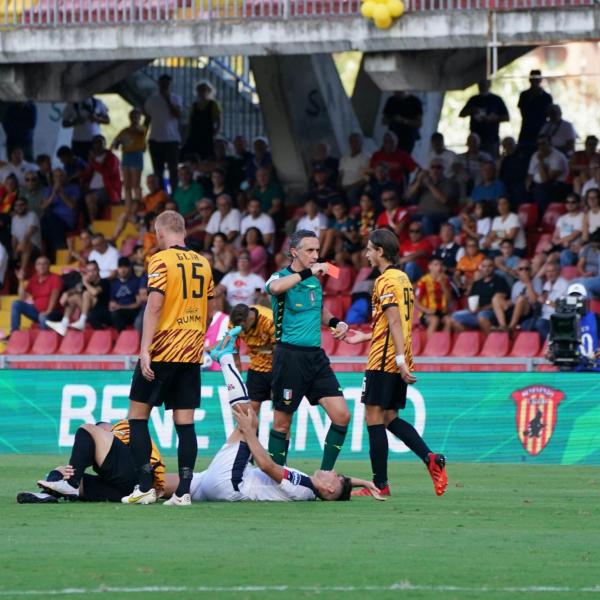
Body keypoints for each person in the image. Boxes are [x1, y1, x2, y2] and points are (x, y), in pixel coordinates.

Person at [345, 228, 447, 497]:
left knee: (373, 417)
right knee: (390, 417)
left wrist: (399, 360)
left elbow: (392, 322)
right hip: (396, 353)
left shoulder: (384, 281)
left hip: (384, 358)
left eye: (369, 249)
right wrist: (364, 337)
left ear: (380, 251)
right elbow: (396, 322)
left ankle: (380, 485)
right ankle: (430, 457)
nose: (366, 254)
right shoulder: (403, 279)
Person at [123, 210, 214, 506]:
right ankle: (183, 491)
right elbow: (208, 307)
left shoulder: (161, 259)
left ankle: (145, 484)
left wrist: (144, 349)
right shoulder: (203, 262)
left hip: (163, 349)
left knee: (137, 417)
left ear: (160, 233)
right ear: (184, 231)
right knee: (185, 423)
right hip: (191, 352)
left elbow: (154, 306)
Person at [265, 229, 351, 470]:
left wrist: (337, 323)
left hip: (316, 357)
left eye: (317, 250)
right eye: (310, 250)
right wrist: (307, 272)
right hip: (289, 356)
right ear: (295, 252)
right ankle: (274, 479)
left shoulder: (315, 281)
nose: (315, 255)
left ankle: (325, 473)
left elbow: (320, 309)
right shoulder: (280, 276)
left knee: (342, 415)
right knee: (282, 424)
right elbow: (274, 289)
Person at [186, 405, 382, 502]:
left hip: (233, 483)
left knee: (249, 419)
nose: (334, 471)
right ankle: (155, 486)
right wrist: (365, 482)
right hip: (226, 483)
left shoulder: (302, 485)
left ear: (329, 488)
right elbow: (341, 485)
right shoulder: (312, 487)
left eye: (336, 475)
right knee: (175, 483)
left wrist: (249, 432)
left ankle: (227, 359)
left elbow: (267, 466)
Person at [32, 420, 164, 503]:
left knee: (86, 428)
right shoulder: (110, 459)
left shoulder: (120, 428)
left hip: (134, 474)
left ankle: (71, 485)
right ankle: (47, 495)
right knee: (59, 471)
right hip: (127, 491)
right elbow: (166, 482)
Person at [227, 303, 276, 415]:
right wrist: (237, 381)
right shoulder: (233, 325)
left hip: (277, 367)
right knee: (250, 412)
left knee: (280, 414)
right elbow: (235, 354)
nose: (241, 331)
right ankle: (252, 433)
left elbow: (280, 353)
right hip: (256, 368)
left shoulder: (269, 320)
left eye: (242, 328)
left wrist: (278, 378)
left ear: (250, 318)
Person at [46, 260, 111, 334]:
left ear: (98, 270)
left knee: (86, 293)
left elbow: (94, 292)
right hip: (89, 312)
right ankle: (64, 324)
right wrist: (66, 293)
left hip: (100, 313)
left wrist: (85, 282)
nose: (91, 273)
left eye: (94, 270)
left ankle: (82, 321)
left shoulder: (104, 282)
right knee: (72, 298)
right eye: (89, 271)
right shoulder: (88, 283)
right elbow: (76, 289)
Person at [450, 257, 510, 334]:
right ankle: (470, 340)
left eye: (489, 266)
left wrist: (481, 309)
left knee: (482, 316)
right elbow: (471, 300)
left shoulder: (500, 281)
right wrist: (471, 308)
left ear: (494, 267)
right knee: (454, 317)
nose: (487, 269)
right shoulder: (476, 283)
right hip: (476, 312)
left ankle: (493, 342)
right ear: (481, 268)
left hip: (492, 312)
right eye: (484, 266)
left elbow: (500, 302)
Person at [144, 74, 183, 191]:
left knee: (173, 169)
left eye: (167, 84)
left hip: (172, 139)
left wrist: (167, 99)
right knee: (158, 170)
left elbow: (177, 115)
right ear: (158, 84)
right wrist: (142, 138)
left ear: (170, 85)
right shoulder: (151, 100)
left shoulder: (176, 98)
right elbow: (147, 120)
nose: (164, 86)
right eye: (162, 84)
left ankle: (174, 193)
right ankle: (160, 194)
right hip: (155, 139)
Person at [10, 256, 63, 334]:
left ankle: (45, 339)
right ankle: (14, 333)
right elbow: (22, 298)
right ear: (35, 267)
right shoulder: (33, 279)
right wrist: (21, 281)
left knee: (43, 317)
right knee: (16, 304)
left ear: (49, 266)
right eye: (39, 264)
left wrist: (48, 311)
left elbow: (54, 297)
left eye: (44, 264)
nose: (42, 266)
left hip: (54, 313)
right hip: (37, 312)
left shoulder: (55, 278)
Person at [406, 159, 459, 235]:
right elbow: (407, 196)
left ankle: (429, 243)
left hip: (441, 215)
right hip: (421, 214)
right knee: (405, 219)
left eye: (438, 167)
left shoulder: (450, 183)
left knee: (426, 219)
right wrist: (418, 181)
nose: (435, 170)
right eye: (432, 167)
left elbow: (444, 200)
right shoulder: (423, 182)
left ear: (443, 169)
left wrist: (430, 185)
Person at [459, 80, 509, 158]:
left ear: (489, 84)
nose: (482, 86)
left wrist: (494, 118)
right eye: (480, 84)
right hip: (475, 139)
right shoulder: (474, 99)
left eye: (484, 84)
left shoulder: (496, 99)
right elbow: (461, 114)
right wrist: (471, 110)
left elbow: (506, 117)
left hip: (491, 139)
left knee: (490, 161)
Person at [491, 258, 542, 333]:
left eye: (526, 269)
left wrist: (528, 282)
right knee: (496, 298)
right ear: (517, 271)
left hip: (530, 310)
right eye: (521, 269)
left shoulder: (537, 280)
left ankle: (511, 328)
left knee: (521, 298)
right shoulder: (516, 285)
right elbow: (514, 301)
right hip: (516, 309)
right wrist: (506, 303)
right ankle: (503, 326)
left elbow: (535, 301)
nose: (524, 271)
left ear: (530, 270)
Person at [111, 108, 147, 214]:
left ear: (140, 118)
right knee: (127, 184)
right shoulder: (124, 131)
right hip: (126, 155)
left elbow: (139, 131)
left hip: (136, 155)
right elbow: (115, 143)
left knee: (136, 183)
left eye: (137, 117)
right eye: (132, 116)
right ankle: (128, 206)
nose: (134, 118)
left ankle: (138, 206)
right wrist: (118, 142)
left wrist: (125, 137)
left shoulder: (142, 128)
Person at [81, 135, 122, 222]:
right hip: (91, 189)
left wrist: (93, 162)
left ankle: (93, 225)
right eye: (95, 143)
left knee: (90, 198)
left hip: (107, 189)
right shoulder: (93, 158)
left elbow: (107, 172)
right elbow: (86, 176)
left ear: (104, 144)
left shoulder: (112, 157)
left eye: (99, 142)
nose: (97, 145)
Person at [525, 135, 569, 214]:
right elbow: (530, 174)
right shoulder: (535, 155)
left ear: (550, 143)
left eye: (543, 143)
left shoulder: (558, 157)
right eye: (539, 144)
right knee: (522, 190)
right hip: (538, 183)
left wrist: (541, 162)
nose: (541, 146)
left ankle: (544, 217)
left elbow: (546, 180)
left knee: (542, 190)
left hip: (557, 185)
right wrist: (528, 184)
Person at [182, 81, 221, 160]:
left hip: (207, 137)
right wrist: (185, 138)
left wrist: (214, 134)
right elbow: (190, 123)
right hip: (194, 136)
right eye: (200, 90)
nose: (202, 92)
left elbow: (219, 122)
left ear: (209, 91)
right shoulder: (194, 105)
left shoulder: (213, 104)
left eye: (204, 90)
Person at [415, 257, 452, 336]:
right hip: (427, 313)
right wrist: (427, 310)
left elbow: (449, 299)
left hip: (442, 312)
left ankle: (443, 344)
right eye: (436, 265)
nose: (439, 267)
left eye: (441, 265)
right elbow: (415, 300)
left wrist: (442, 284)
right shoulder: (424, 281)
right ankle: (430, 345)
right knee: (435, 320)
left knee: (449, 320)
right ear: (430, 266)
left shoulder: (446, 279)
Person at [517, 70, 553, 150]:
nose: (535, 82)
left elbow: (549, 113)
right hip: (526, 128)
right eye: (533, 80)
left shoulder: (546, 97)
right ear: (530, 80)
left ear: (540, 80)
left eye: (537, 80)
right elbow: (523, 112)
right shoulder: (524, 95)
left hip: (541, 128)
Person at [551, 193, 584, 267]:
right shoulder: (562, 218)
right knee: (539, 259)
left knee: (555, 257)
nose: (570, 204)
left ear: (578, 203)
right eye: (567, 202)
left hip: (573, 248)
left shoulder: (582, 217)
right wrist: (559, 242)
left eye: (573, 202)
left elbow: (572, 236)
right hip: (561, 246)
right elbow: (555, 236)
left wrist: (558, 242)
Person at [109, 257, 141, 332]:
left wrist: (121, 307)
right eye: (120, 267)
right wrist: (113, 306)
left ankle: (123, 335)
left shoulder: (136, 281)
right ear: (118, 269)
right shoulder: (114, 284)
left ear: (129, 268)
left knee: (116, 315)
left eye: (125, 267)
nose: (123, 270)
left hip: (132, 312)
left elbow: (138, 303)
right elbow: (112, 302)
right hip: (119, 312)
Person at [338, 132, 370, 204]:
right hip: (344, 186)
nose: (353, 144)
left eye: (356, 142)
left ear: (361, 143)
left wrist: (350, 186)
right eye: (351, 142)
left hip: (357, 186)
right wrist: (339, 185)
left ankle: (354, 213)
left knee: (351, 194)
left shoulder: (366, 157)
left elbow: (366, 179)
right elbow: (341, 174)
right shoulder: (344, 157)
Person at [11, 197, 41, 271]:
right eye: (16, 205)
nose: (19, 207)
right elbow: (14, 237)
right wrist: (14, 251)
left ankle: (22, 271)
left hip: (34, 248)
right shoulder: (14, 219)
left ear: (26, 206)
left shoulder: (32, 215)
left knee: (26, 244)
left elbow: (30, 231)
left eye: (21, 205)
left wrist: (22, 242)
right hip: (19, 248)